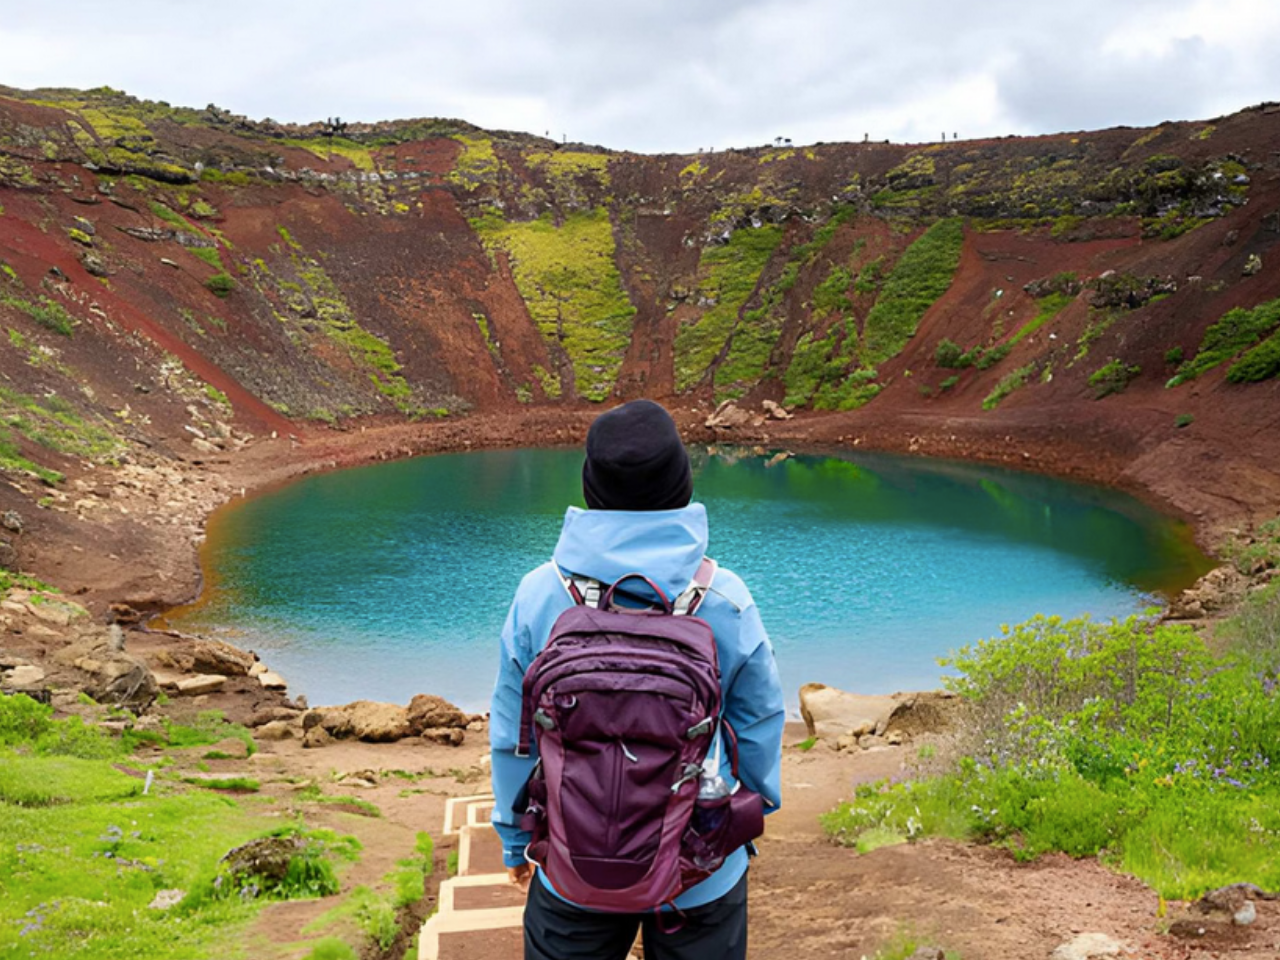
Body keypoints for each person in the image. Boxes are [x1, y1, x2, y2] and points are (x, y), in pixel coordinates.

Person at [490, 399, 785, 960]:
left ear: (591, 486)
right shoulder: (725, 597)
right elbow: (759, 720)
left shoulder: (539, 593)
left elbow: (512, 733)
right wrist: (748, 817)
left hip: (573, 865)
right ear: (681, 482)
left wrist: (514, 838)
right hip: (700, 865)